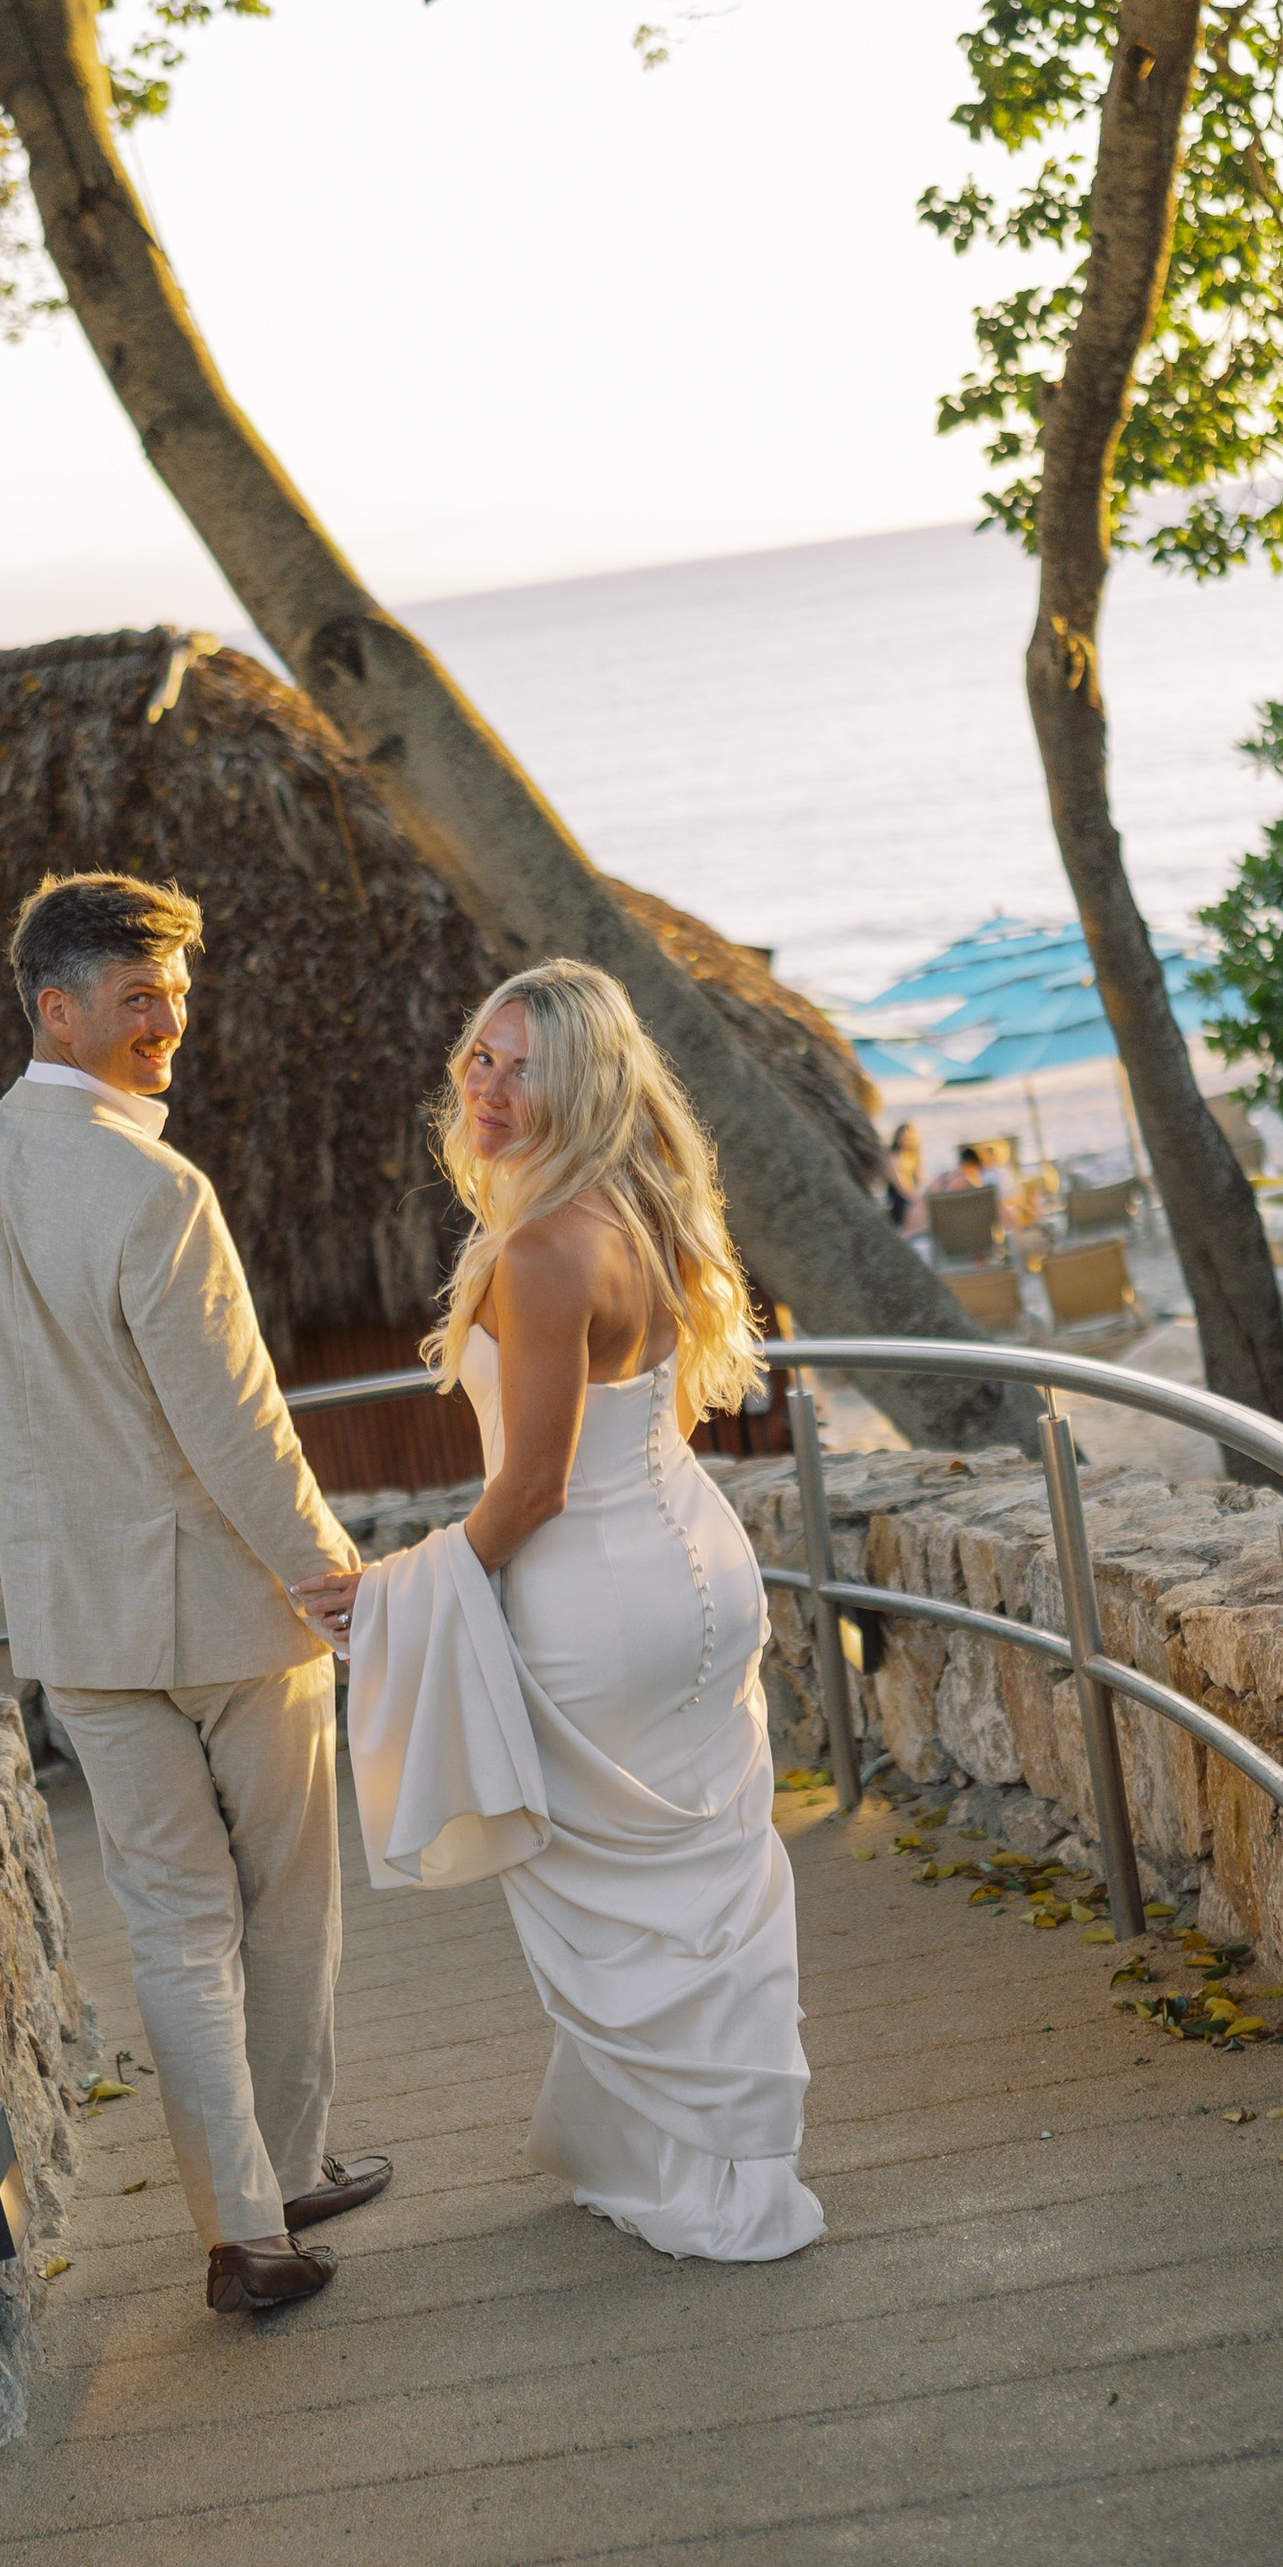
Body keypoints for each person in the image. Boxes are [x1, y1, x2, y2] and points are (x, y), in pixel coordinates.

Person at [0, 872, 393, 2323]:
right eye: (139, 998)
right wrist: (334, 1578)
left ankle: (244, 2228)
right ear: (56, 1009)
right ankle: (287, 2173)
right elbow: (235, 1426)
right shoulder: (152, 1187)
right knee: (289, 1897)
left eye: (178, 993)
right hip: (226, 1605)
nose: (168, 1022)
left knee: (175, 1919)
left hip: (74, 1611)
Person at [307, 961, 821, 2265]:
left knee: (614, 1898)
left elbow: (531, 1487)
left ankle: (702, 2174)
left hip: (591, 1602)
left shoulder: (541, 1251)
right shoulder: (639, 1214)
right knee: (706, 1878)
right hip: (696, 1569)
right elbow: (662, 1416)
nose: (484, 1083)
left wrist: (391, 1593)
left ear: (582, 1079)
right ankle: (713, 2164)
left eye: (519, 1063)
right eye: (477, 1056)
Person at [883, 1120, 923, 1230]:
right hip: (899, 1203)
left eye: (909, 1137)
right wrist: (920, 1202)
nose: (906, 1140)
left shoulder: (915, 1157)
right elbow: (902, 1189)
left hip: (913, 1198)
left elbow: (921, 1182)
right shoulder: (893, 1158)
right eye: (903, 1137)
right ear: (897, 1138)